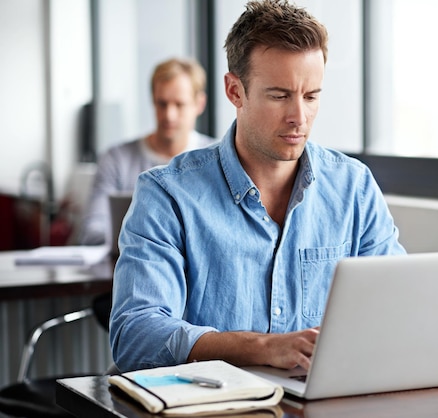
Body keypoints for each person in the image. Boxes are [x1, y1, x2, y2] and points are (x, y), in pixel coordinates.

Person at [110, 0, 406, 373]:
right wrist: (264, 347)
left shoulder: (354, 186)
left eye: (311, 96)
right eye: (279, 95)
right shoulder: (166, 195)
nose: (299, 117)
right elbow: (136, 336)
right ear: (235, 91)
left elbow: (397, 306)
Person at [78, 58, 218, 245]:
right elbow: (93, 230)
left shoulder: (217, 158)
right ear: (152, 101)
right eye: (162, 104)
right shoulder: (116, 159)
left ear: (199, 104)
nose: (169, 115)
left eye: (179, 104)